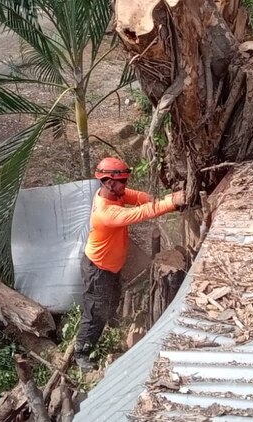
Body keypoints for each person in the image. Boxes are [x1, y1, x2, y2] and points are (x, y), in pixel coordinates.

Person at [75, 157, 185, 371]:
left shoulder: (114, 193)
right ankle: (82, 352)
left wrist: (157, 199)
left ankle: (111, 321)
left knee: (112, 298)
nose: (125, 185)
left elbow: (137, 197)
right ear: (108, 182)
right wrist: (171, 202)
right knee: (95, 311)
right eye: (122, 181)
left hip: (109, 267)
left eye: (125, 180)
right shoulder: (106, 213)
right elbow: (139, 213)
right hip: (98, 270)